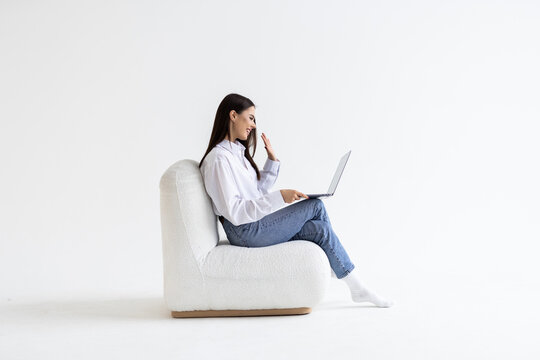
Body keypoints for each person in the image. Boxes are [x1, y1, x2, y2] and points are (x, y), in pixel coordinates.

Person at [199, 93, 393, 308]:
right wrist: (280, 197)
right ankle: (337, 263)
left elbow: (255, 192)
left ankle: (356, 287)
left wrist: (272, 161)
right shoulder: (218, 159)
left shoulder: (236, 154)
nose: (253, 125)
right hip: (245, 232)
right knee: (315, 205)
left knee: (319, 230)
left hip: (253, 225)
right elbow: (235, 212)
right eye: (251, 118)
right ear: (233, 115)